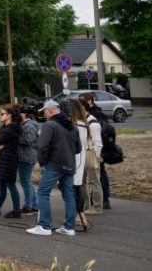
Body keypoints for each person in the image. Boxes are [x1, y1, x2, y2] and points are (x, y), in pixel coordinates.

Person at [27, 99, 81, 237]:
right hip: (70, 165)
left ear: (50, 110)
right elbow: (78, 148)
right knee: (69, 194)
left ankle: (44, 226)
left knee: (43, 192)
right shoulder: (72, 126)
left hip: (54, 165)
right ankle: (69, 227)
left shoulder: (49, 125)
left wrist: (43, 163)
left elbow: (42, 146)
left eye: (44, 111)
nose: (44, 114)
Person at [72, 96, 103, 225]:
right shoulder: (79, 122)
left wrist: (96, 158)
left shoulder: (93, 123)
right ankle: (85, 206)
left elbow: (98, 142)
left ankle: (97, 207)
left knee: (95, 182)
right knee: (82, 183)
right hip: (81, 156)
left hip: (90, 155)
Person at [82, 93, 113, 209]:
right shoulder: (91, 114)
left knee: (98, 177)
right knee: (95, 178)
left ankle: (103, 200)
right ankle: (93, 201)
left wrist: (97, 154)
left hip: (96, 150)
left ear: (90, 101)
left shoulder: (97, 115)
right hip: (90, 150)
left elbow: (100, 136)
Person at [17, 105, 40, 215]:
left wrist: (15, 138)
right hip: (26, 155)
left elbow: (29, 140)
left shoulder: (29, 125)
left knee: (25, 182)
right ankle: (35, 205)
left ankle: (28, 206)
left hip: (27, 156)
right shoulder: (27, 124)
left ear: (23, 114)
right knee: (27, 182)